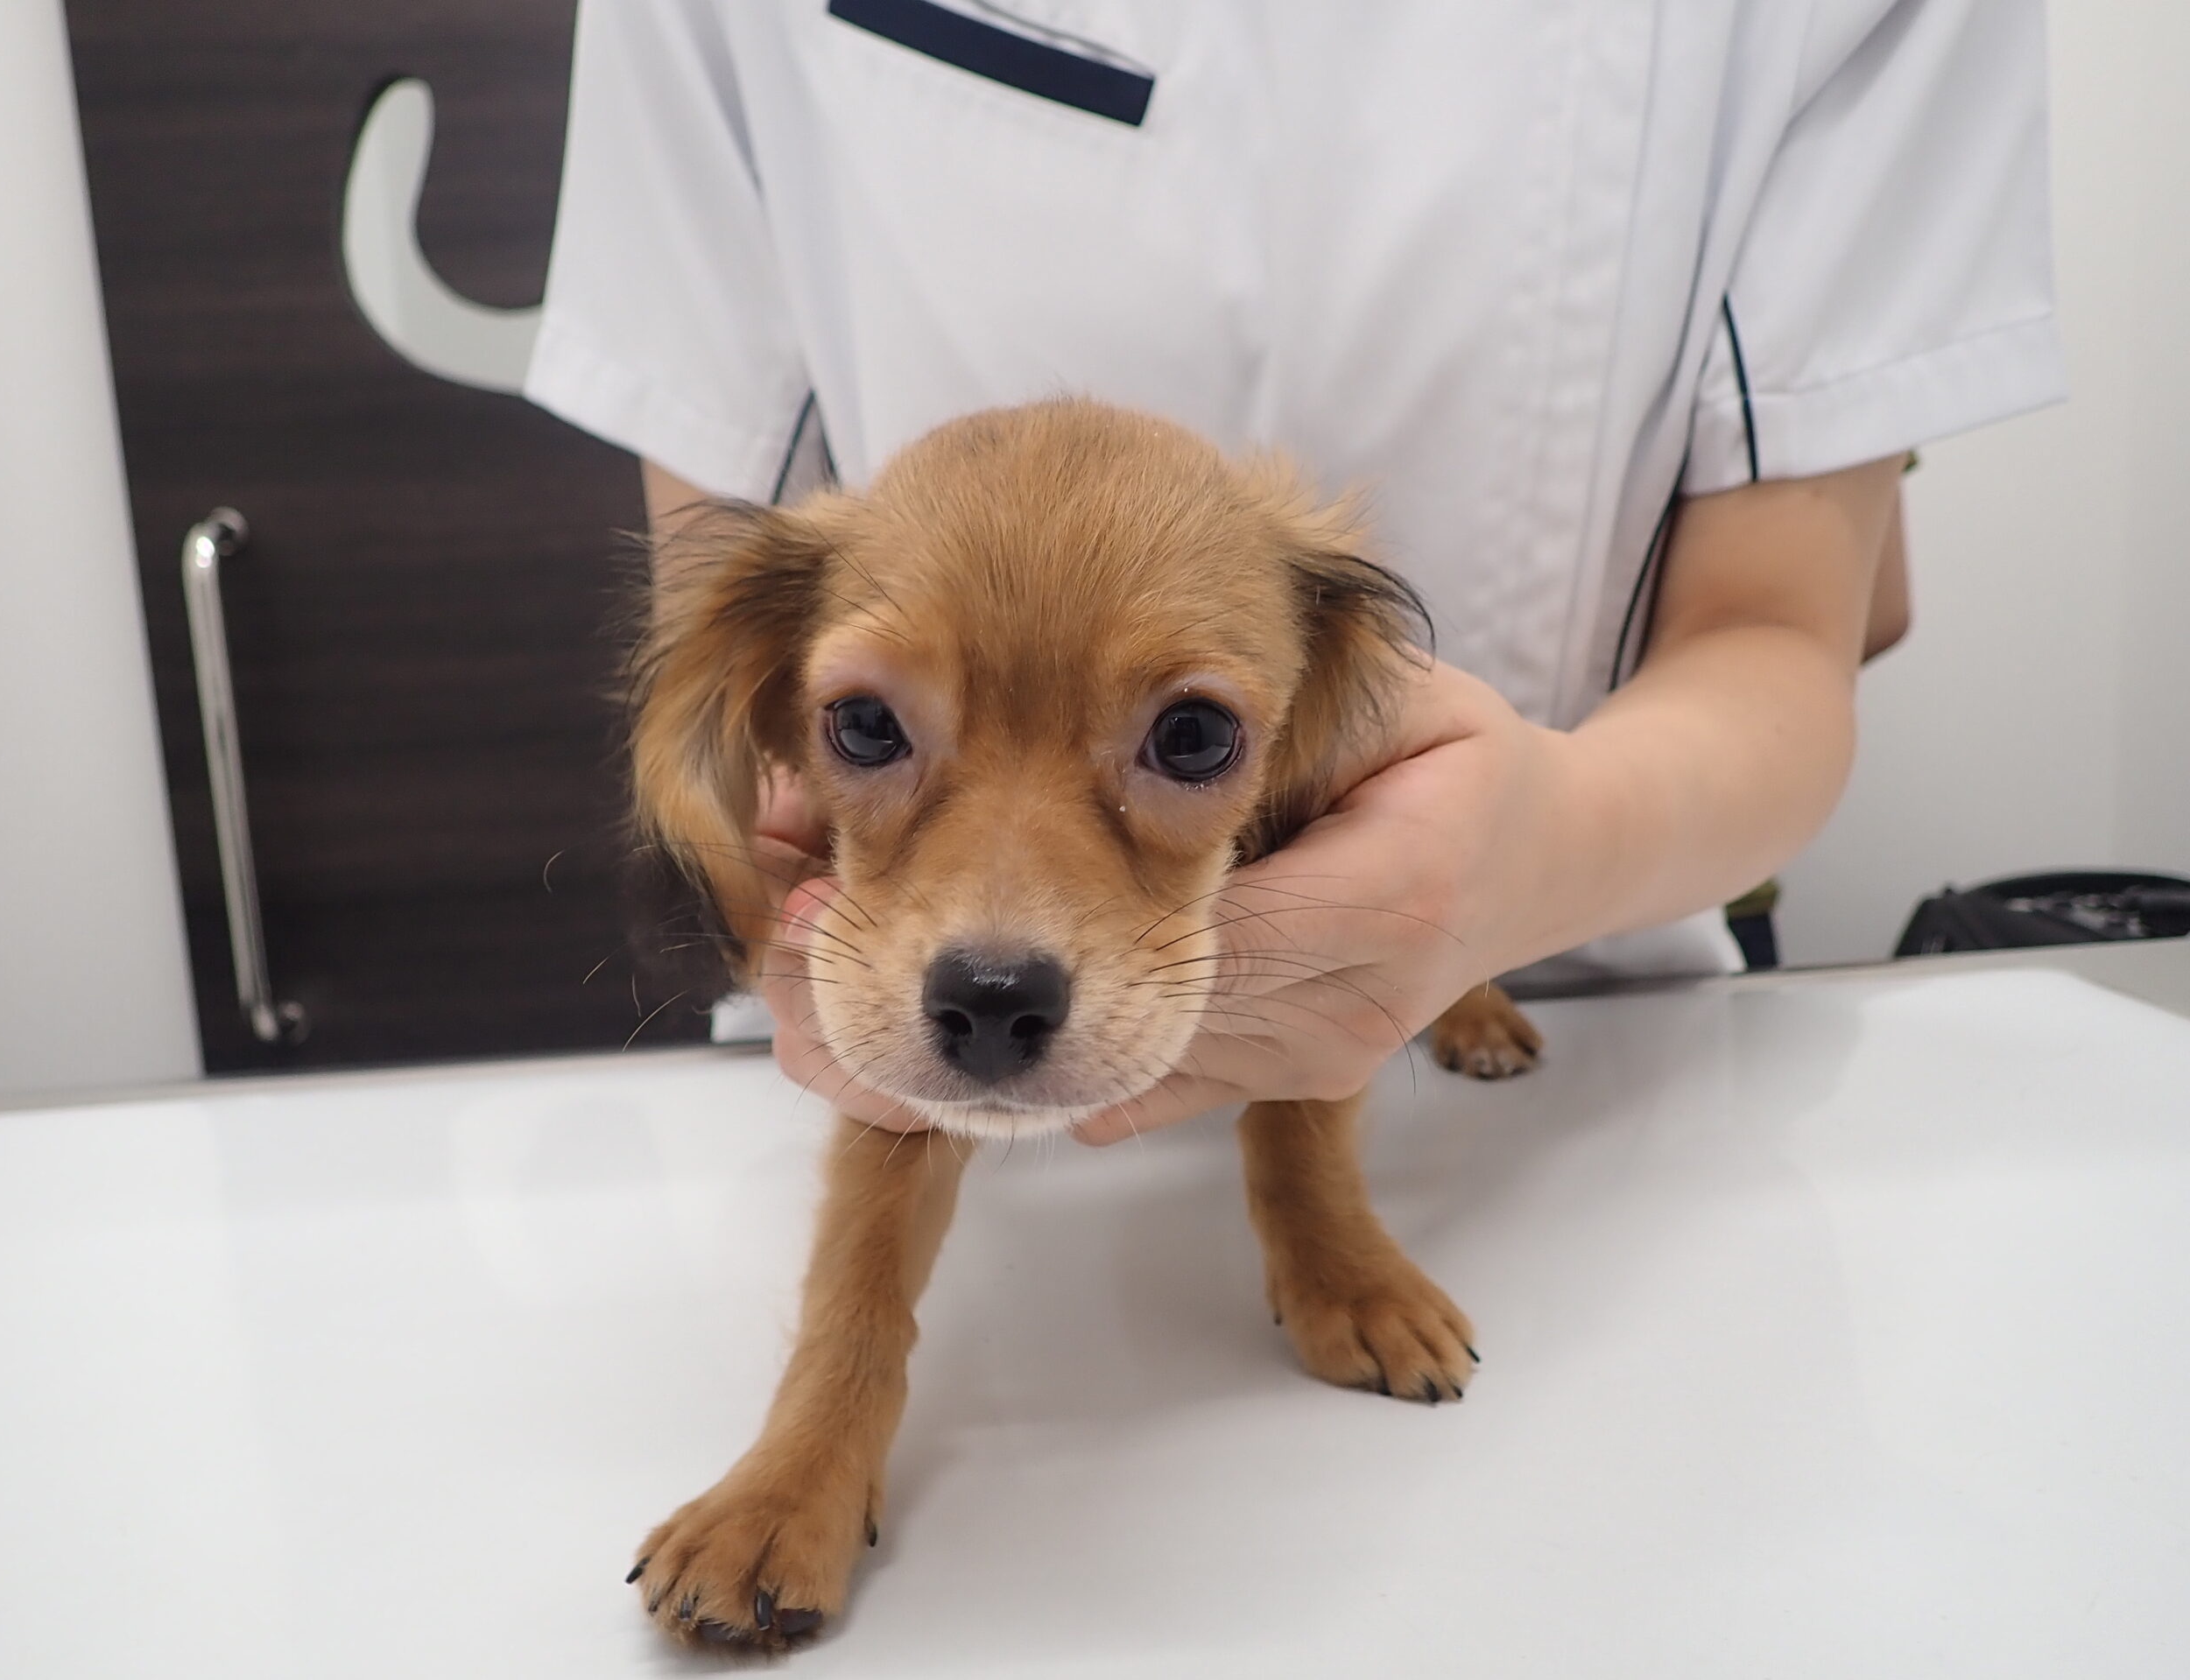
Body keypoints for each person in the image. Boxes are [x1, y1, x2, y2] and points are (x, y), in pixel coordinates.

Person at [526, 0, 2062, 1144]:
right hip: (870, 1051)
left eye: (1194, 737)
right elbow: (717, 655)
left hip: (1586, 1072)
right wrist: (783, 890)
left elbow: (1798, 630)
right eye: (872, 723)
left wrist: (1538, 850)